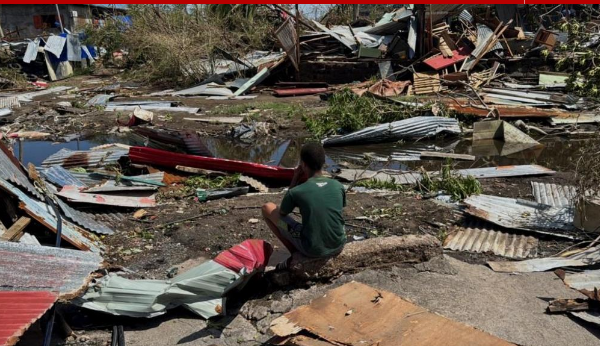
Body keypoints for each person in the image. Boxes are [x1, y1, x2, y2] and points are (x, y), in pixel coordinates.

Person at [262, 142, 346, 269]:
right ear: (323, 163)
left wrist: (295, 178)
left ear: (303, 164)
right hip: (339, 243)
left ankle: (294, 253)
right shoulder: (338, 185)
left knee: (267, 208)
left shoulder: (297, 191)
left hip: (311, 247)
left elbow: (283, 212)